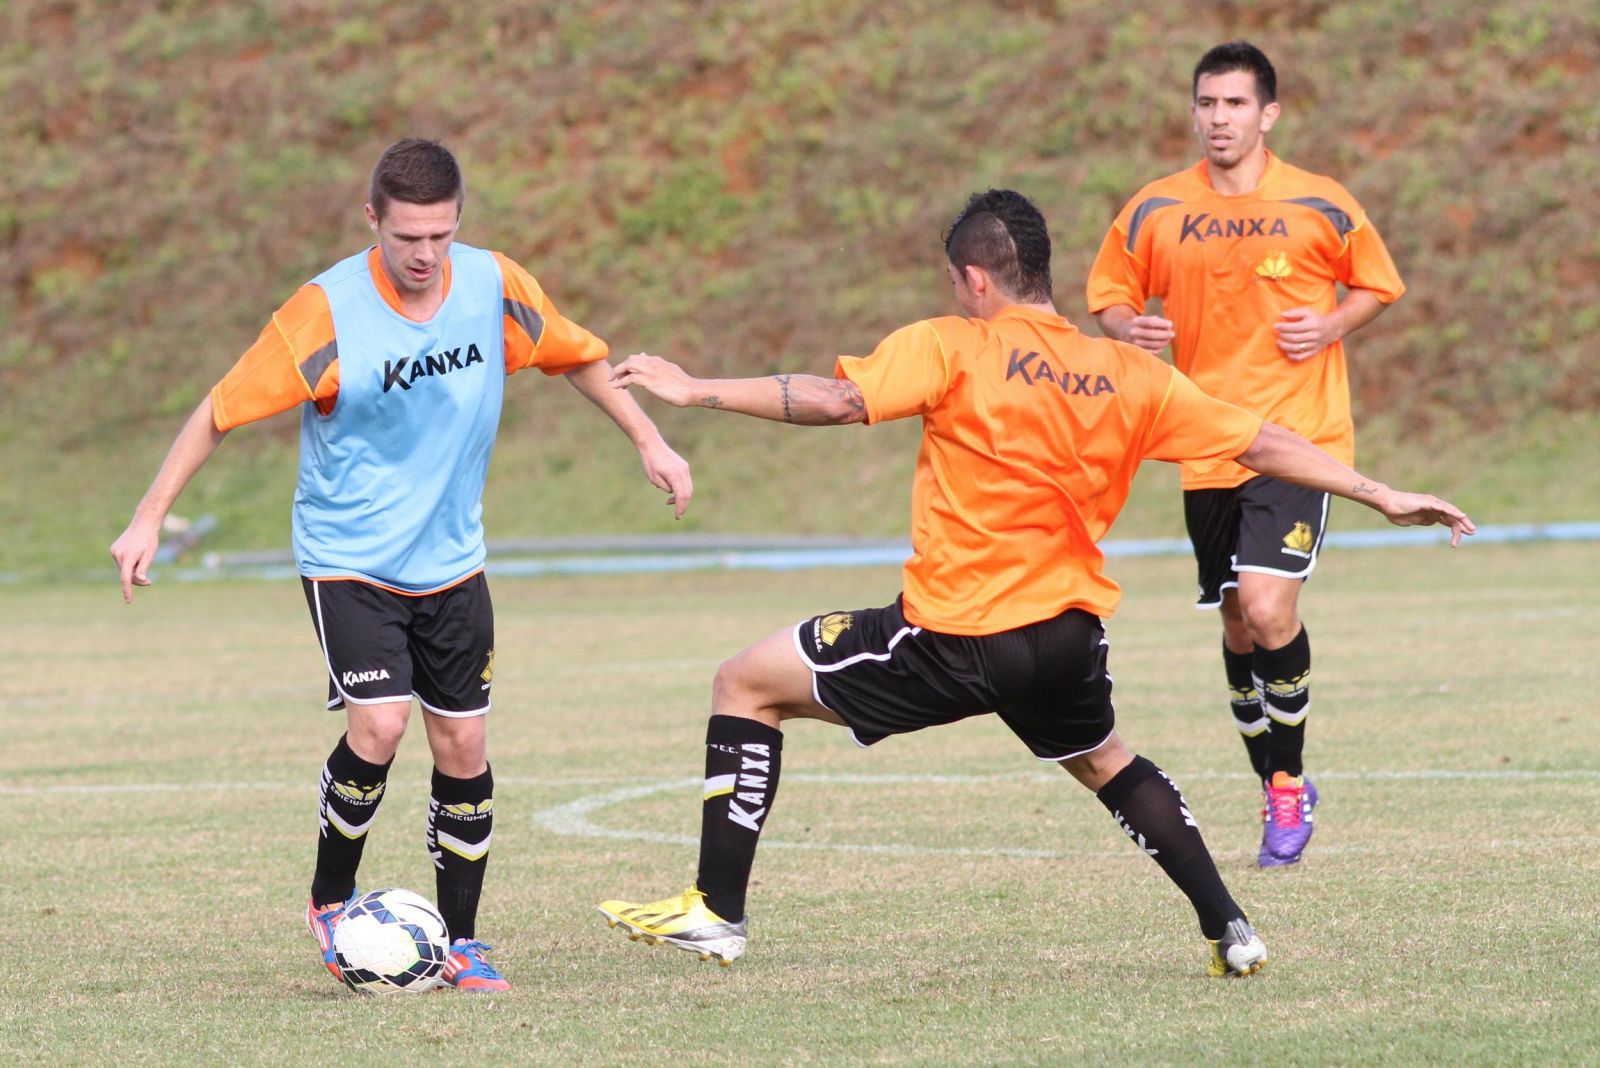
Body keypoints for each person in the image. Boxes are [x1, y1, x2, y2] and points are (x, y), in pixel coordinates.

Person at [593, 189, 1472, 976]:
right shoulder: (1131, 373)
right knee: (1106, 761)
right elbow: (1261, 441)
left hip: (958, 632)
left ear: (975, 279)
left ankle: (716, 912)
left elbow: (838, 399)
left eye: (955, 282)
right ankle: (1231, 926)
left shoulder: (953, 345)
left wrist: (693, 389)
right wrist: (1379, 492)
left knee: (744, 684)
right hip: (1065, 635)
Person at [110, 138, 693, 992]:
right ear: (372, 219)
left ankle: (462, 943)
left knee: (463, 742)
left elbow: (576, 356)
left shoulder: (495, 285)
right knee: (380, 726)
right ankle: (330, 900)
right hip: (347, 557)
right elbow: (219, 411)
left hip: (452, 558)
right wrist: (149, 516)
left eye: (440, 236)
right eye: (406, 237)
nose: (424, 255)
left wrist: (649, 439)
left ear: (459, 222)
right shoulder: (323, 314)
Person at [1085, 41, 1407, 867]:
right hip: (1205, 447)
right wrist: (1130, 327)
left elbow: (1377, 284)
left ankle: (1288, 786)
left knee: (1266, 610)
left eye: (1234, 104)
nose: (1218, 118)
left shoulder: (1320, 203)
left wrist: (1331, 324)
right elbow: (1110, 296)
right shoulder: (1157, 209)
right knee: (1236, 624)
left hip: (1298, 440)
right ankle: (1275, 783)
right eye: (1207, 103)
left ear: (1269, 114)